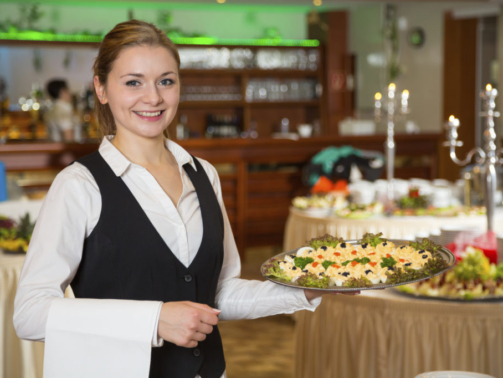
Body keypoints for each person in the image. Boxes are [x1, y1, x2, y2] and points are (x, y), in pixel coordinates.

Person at [14, 20, 356, 378]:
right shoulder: (79, 185)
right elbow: (30, 314)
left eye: (166, 80)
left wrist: (310, 289)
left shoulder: (203, 174)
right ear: (101, 89)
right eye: (133, 82)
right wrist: (155, 320)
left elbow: (219, 292)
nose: (153, 97)